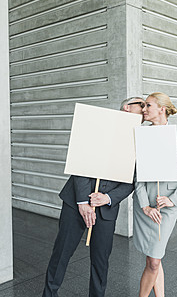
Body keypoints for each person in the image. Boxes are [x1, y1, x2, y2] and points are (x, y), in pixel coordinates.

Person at [42, 97, 145, 297]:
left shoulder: (138, 140)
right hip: (75, 204)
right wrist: (83, 202)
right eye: (140, 105)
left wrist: (107, 198)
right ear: (126, 107)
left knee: (101, 260)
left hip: (106, 211)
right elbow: (80, 164)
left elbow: (132, 181)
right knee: (61, 253)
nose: (143, 110)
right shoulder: (98, 128)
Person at [133, 92, 177, 297]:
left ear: (162, 109)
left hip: (166, 207)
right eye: (143, 106)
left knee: (154, 259)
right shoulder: (140, 133)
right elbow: (137, 176)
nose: (144, 110)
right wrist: (144, 205)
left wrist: (172, 199)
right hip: (144, 205)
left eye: (148, 106)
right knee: (154, 259)